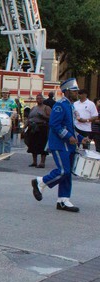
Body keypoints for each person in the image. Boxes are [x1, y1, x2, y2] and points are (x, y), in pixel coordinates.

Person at [31, 78, 90, 212]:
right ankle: (40, 182)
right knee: (63, 171)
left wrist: (81, 138)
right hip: (59, 144)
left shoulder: (70, 106)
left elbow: (71, 128)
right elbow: (54, 124)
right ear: (67, 91)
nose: (77, 93)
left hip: (68, 146)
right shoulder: (60, 105)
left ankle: (63, 200)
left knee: (67, 173)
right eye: (74, 91)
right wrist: (68, 137)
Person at [25, 93, 51, 168]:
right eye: (37, 98)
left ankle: (42, 162)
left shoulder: (46, 107)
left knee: (42, 145)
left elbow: (51, 118)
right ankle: (34, 162)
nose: (39, 100)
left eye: (40, 98)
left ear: (43, 99)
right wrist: (25, 127)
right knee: (32, 145)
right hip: (33, 128)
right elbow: (29, 118)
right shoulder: (33, 108)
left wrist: (43, 116)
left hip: (42, 128)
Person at [0, 88, 17, 156]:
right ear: (1, 94)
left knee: (7, 139)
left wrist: (10, 119)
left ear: (8, 94)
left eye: (6, 93)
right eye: (4, 93)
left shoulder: (12, 102)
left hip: (7, 122)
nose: (5, 94)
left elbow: (14, 111)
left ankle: (6, 155)